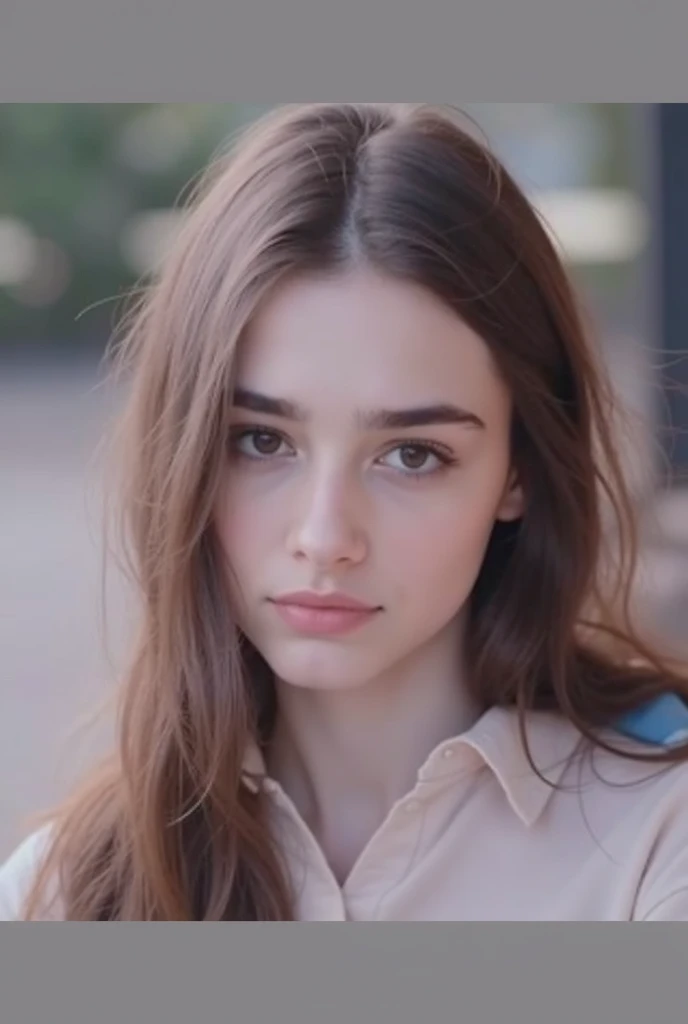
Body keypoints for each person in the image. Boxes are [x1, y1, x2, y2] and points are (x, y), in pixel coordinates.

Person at [2, 102, 688, 922]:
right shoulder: (68, 892)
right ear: (182, 451)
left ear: (520, 471)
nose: (325, 538)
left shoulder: (658, 836)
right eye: (260, 441)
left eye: (411, 455)